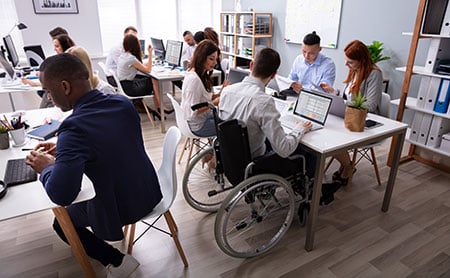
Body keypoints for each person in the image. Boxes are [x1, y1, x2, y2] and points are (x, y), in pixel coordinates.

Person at [25, 53, 162, 277]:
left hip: (123, 205)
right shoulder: (122, 103)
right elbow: (108, 143)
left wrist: (46, 167)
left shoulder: (73, 128)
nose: (48, 98)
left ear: (65, 87)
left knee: (62, 222)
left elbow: (62, 194)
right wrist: (65, 152)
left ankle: (118, 262)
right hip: (149, 191)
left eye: (48, 91)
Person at [320, 39, 383, 185]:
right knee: (325, 131)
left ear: (362, 60)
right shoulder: (355, 71)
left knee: (331, 137)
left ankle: (347, 166)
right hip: (349, 116)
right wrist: (334, 92)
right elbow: (348, 96)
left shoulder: (374, 74)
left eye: (350, 62)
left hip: (364, 121)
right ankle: (347, 165)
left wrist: (345, 103)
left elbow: (371, 105)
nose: (346, 65)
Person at [181, 39, 223, 137]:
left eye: (216, 59)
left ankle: (215, 150)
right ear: (202, 57)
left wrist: (220, 93)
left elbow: (203, 99)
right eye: (211, 59)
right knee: (232, 128)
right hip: (198, 125)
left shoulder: (200, 74)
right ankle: (217, 151)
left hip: (200, 119)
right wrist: (214, 103)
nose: (215, 63)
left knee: (228, 120)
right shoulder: (194, 80)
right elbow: (194, 110)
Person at [117, 34, 164, 119]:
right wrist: (150, 54)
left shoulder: (124, 56)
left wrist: (148, 63)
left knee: (151, 79)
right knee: (153, 79)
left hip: (124, 85)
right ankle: (160, 108)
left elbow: (140, 65)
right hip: (130, 89)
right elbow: (148, 70)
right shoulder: (131, 59)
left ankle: (159, 108)